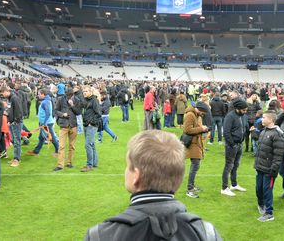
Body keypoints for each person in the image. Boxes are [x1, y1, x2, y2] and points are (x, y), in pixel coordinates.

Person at [84, 130, 222, 241]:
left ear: (136, 176)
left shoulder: (101, 235)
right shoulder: (206, 233)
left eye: (128, 166)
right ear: (178, 177)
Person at [254, 110, 284, 222]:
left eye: (264, 117)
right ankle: (261, 204)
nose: (262, 119)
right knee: (259, 189)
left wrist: (273, 169)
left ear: (271, 120)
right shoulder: (264, 131)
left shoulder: (277, 134)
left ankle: (269, 213)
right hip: (260, 167)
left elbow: (278, 154)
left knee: (267, 190)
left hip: (269, 169)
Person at [222, 99, 249, 197]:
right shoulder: (230, 116)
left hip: (240, 145)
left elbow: (245, 127)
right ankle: (224, 188)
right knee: (229, 165)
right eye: (244, 110)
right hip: (231, 146)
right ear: (238, 108)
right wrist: (232, 144)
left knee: (236, 165)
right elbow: (226, 132)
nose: (245, 112)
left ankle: (234, 184)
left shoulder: (244, 116)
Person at [184, 102, 210, 198]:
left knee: (196, 166)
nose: (203, 114)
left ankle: (192, 186)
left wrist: (204, 129)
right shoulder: (190, 115)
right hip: (192, 143)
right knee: (195, 166)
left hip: (196, 142)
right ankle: (189, 189)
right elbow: (187, 130)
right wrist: (201, 129)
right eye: (203, 112)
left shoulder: (196, 115)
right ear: (199, 109)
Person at [54, 88, 82, 171]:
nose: (69, 97)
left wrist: (72, 105)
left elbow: (79, 112)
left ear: (73, 94)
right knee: (61, 146)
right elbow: (56, 110)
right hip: (63, 125)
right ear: (65, 94)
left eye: (70, 95)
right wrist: (63, 114)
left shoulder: (76, 100)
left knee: (72, 146)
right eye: (67, 95)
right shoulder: (60, 99)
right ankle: (60, 165)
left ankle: (69, 162)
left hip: (73, 125)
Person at [27, 89, 59, 157]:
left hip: (47, 124)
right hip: (45, 123)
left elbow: (48, 113)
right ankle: (36, 151)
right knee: (41, 138)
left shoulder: (46, 102)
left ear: (43, 94)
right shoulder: (46, 101)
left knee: (52, 137)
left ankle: (58, 151)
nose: (38, 95)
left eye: (39, 94)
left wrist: (44, 123)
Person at [0, 86, 24, 167]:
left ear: (6, 91)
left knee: (17, 141)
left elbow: (19, 111)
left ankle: (17, 159)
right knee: (13, 140)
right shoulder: (10, 98)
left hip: (16, 123)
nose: (2, 96)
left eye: (2, 94)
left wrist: (15, 121)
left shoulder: (14, 98)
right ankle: (16, 157)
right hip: (12, 122)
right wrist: (8, 115)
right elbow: (11, 110)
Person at [81, 86, 102, 172]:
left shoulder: (94, 100)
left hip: (91, 125)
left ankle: (89, 165)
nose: (84, 93)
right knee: (91, 144)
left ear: (90, 92)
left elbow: (98, 114)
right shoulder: (85, 100)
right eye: (83, 91)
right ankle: (94, 163)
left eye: (86, 91)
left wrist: (91, 122)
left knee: (87, 144)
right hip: (86, 124)